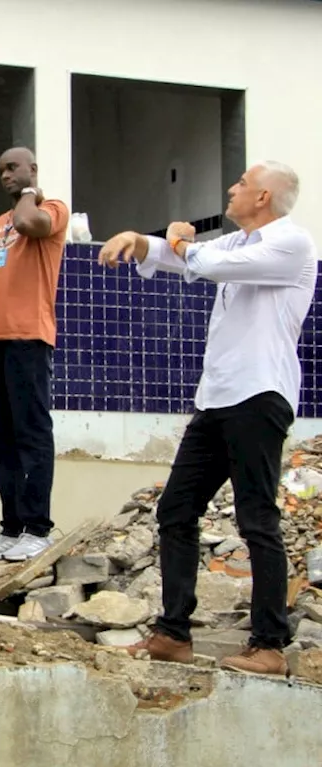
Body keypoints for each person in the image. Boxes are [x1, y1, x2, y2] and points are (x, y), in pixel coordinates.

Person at [100, 161, 316, 676]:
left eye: (241, 183)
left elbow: (204, 263)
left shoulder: (291, 244)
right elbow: (187, 260)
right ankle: (173, 633)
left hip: (260, 394)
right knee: (175, 509)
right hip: (217, 397)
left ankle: (268, 645)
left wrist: (176, 241)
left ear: (263, 197)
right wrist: (140, 239)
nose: (232, 188)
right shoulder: (238, 244)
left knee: (256, 518)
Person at [0, 147, 69, 564]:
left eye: (12, 168)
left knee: (31, 433)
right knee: (3, 439)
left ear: (32, 169)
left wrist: (31, 192)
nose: (5, 176)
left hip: (29, 337)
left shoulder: (51, 209)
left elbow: (30, 223)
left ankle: (37, 528)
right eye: (1, 170)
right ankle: (11, 528)